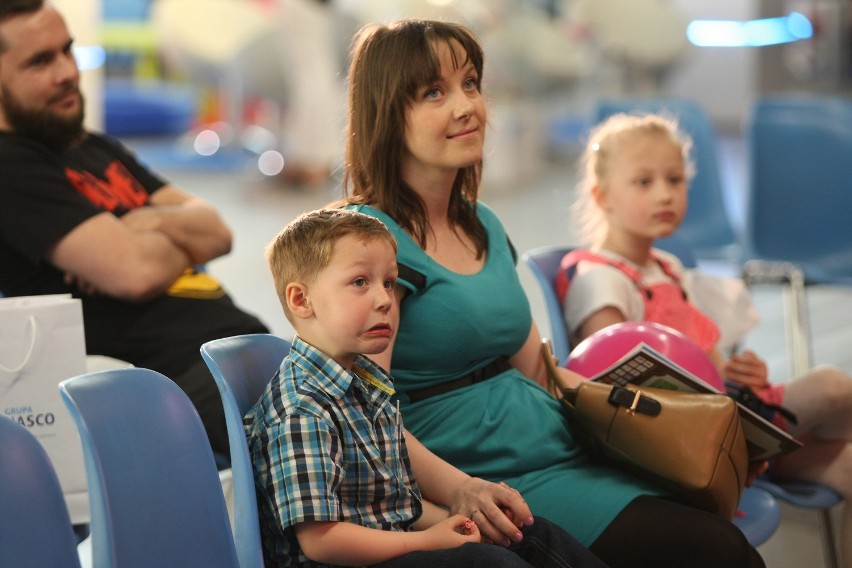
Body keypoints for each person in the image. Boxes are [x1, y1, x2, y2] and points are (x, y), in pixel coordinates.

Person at [337, 18, 765, 568]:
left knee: (709, 513)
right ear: (387, 114)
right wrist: (462, 487)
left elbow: (545, 374)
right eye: (434, 93)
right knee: (715, 551)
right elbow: (366, 413)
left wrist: (692, 433)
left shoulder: (481, 223)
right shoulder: (369, 241)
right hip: (485, 479)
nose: (467, 106)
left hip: (549, 447)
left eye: (470, 83)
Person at [559, 112, 852, 566]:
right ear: (602, 197)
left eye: (674, 179)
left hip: (725, 419)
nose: (664, 193)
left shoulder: (670, 269)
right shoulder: (599, 280)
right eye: (643, 182)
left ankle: (776, 459)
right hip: (676, 441)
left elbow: (712, 370)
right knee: (833, 384)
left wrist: (743, 373)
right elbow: (606, 389)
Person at [246, 208, 606, 568]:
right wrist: (428, 541)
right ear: (301, 300)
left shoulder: (368, 383)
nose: (385, 299)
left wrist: (469, 524)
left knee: (525, 533)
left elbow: (395, 503)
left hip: (398, 544)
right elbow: (321, 542)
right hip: (346, 562)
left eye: (388, 282)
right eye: (360, 282)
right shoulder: (303, 408)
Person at [0, 0, 269, 458]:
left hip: (238, 349)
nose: (67, 71)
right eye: (41, 61)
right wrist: (169, 239)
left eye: (67, 51)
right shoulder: (11, 166)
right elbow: (136, 273)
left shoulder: (92, 146)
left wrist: (140, 223)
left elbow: (217, 230)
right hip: (167, 390)